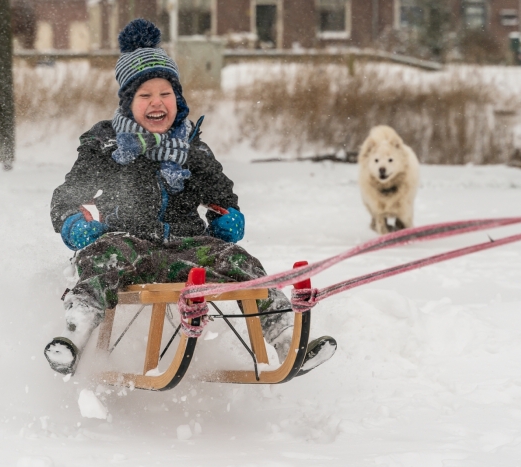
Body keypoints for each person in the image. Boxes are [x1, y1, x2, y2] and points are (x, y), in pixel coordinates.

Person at [44, 18, 335, 376]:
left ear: (177, 99)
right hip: (129, 247)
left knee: (239, 260)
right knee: (103, 257)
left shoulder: (192, 150)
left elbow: (222, 196)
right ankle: (73, 337)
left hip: (187, 250)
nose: (157, 103)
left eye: (165, 94)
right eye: (145, 95)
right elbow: (67, 195)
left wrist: (227, 217)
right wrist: (73, 223)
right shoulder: (106, 147)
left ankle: (285, 338)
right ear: (127, 102)